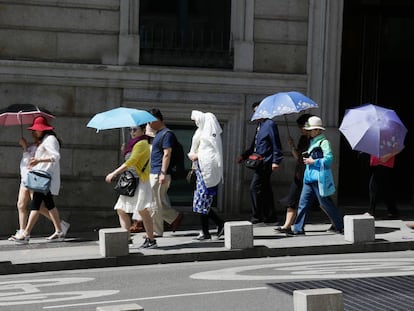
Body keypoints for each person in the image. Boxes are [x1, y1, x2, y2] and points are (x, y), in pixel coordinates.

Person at [11, 116, 65, 244]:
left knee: (36, 204)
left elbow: (56, 156)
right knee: (49, 205)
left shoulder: (50, 140)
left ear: (43, 129)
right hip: (41, 176)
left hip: (43, 176)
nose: (34, 132)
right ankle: (59, 231)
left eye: (36, 130)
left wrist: (38, 160)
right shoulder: (46, 140)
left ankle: (25, 233)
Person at [290, 116, 344, 235]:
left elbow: (329, 159)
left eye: (311, 129)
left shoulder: (324, 142)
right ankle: (298, 229)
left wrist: (314, 161)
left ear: (317, 130)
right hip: (309, 178)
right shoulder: (313, 142)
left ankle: (340, 225)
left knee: (325, 203)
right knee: (303, 203)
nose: (309, 131)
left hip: (319, 178)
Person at [105, 124, 157, 249]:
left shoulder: (141, 144)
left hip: (139, 181)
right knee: (121, 209)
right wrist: (125, 151)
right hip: (132, 181)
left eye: (135, 130)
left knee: (142, 211)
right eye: (130, 130)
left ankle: (151, 240)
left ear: (143, 131)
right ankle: (126, 238)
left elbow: (131, 162)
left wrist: (114, 173)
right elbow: (131, 160)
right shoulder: (134, 144)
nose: (132, 132)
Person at [237, 102, 284, 224]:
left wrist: (276, 161)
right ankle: (270, 217)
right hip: (258, 162)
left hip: (266, 163)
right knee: (265, 189)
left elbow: (276, 144)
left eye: (258, 111)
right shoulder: (259, 125)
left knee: (254, 188)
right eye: (254, 111)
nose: (255, 113)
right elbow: (255, 145)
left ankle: (256, 217)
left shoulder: (270, 124)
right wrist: (244, 156)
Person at [188, 110, 225, 240]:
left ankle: (209, 229)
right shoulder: (201, 132)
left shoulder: (209, 135)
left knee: (203, 202)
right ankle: (210, 229)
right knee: (200, 203)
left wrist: (196, 155)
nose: (196, 122)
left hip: (206, 173)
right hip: (200, 171)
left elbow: (211, 155)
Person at [148, 108, 184, 237]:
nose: (148, 125)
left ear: (156, 120)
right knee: (157, 202)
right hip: (156, 172)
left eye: (149, 121)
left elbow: (167, 154)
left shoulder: (167, 134)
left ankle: (157, 231)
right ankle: (175, 217)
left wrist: (162, 172)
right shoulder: (159, 134)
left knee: (155, 203)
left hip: (159, 173)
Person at [275, 114, 313, 233]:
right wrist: (292, 146)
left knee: (324, 201)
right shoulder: (303, 139)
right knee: (292, 198)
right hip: (299, 174)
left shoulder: (315, 141)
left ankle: (337, 223)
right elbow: (298, 157)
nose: (300, 130)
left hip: (310, 175)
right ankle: (287, 226)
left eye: (301, 127)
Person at [367, 148, 403, 218]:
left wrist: (388, 156)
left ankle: (371, 211)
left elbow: (401, 147)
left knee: (374, 187)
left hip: (384, 163)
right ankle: (393, 211)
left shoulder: (390, 136)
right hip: (377, 163)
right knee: (385, 188)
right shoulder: (375, 137)